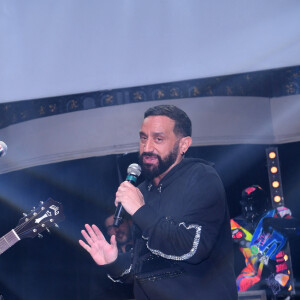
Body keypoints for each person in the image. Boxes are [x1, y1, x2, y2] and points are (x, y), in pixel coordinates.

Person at [79, 104, 238, 300]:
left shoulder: (201, 177)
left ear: (183, 145)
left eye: (158, 139)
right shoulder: (143, 191)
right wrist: (114, 262)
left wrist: (140, 210)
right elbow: (147, 268)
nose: (147, 148)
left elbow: (193, 248)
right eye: (143, 138)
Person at [231, 185, 299, 298]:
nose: (250, 208)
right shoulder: (235, 225)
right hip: (248, 282)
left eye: (254, 203)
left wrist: (275, 222)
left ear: (262, 201)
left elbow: (297, 227)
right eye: (246, 204)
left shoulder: (276, 214)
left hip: (277, 278)